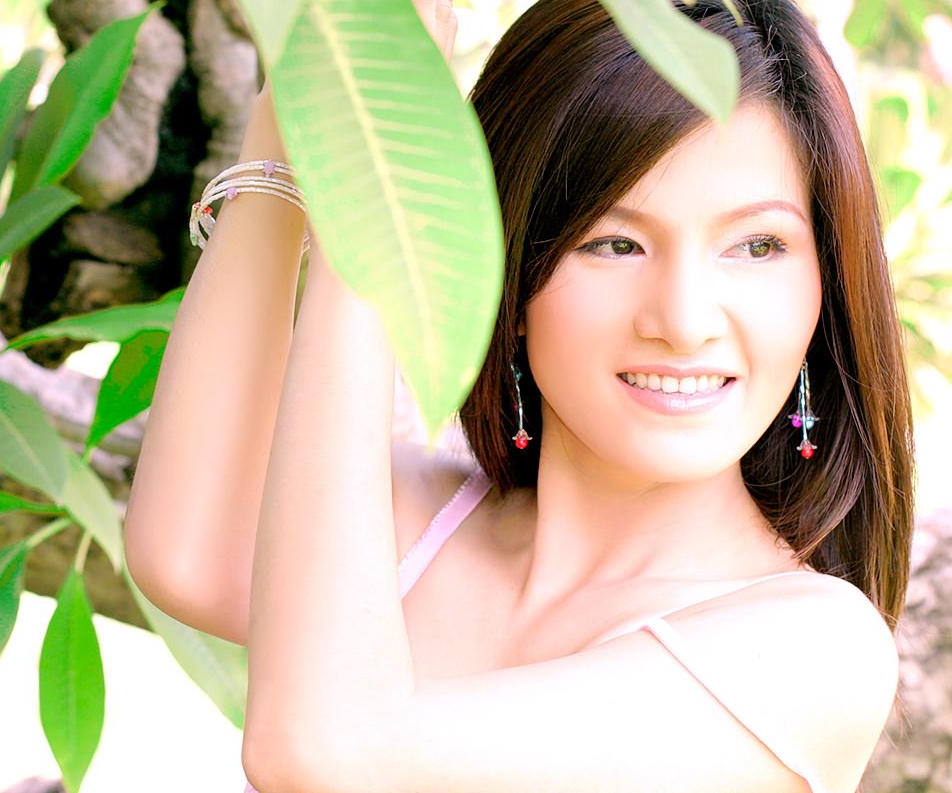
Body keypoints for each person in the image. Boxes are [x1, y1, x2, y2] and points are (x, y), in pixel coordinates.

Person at [123, 0, 914, 790]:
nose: (683, 322)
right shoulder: (418, 525)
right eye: (615, 243)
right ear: (509, 266)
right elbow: (186, 549)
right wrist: (311, 86)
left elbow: (324, 750)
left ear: (824, 284)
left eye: (757, 246)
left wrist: (373, 183)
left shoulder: (814, 651)